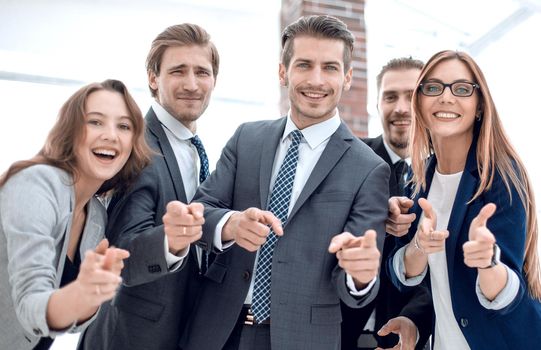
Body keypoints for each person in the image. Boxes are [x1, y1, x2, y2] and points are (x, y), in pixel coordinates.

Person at [180, 15, 390, 350]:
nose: (316, 80)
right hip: (218, 331)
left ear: (347, 77)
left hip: (303, 339)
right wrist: (231, 224)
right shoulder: (247, 139)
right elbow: (200, 212)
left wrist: (361, 276)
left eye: (330, 68)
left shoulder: (369, 169)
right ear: (283, 72)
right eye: (304, 65)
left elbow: (356, 284)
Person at [386, 50, 541, 349]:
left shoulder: (500, 178)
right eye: (433, 88)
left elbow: (508, 296)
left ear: (479, 105)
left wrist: (488, 263)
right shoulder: (417, 183)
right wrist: (418, 247)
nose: (446, 97)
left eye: (461, 89)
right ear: (419, 101)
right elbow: (403, 274)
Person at [79, 23, 218, 350]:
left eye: (202, 72)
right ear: (153, 78)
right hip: (131, 338)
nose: (191, 84)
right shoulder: (137, 147)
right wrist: (171, 240)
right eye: (178, 71)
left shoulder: (193, 148)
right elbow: (123, 251)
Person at [0, 79, 151, 349]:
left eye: (124, 126)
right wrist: (82, 292)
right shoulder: (37, 183)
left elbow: (72, 323)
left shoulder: (95, 215)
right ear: (71, 130)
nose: (111, 135)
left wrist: (93, 293)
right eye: (95, 121)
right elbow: (30, 304)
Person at [341, 57, 433, 350]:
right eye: (390, 96)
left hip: (409, 337)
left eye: (411, 96)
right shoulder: (348, 160)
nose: (401, 108)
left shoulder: (447, 175)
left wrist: (415, 322)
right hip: (337, 333)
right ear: (377, 105)